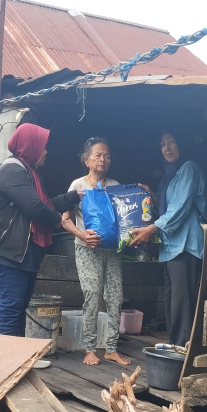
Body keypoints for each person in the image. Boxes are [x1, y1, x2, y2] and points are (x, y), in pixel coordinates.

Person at [0, 123, 96, 341]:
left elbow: (45, 204)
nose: (46, 151)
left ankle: (16, 355)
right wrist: (58, 221)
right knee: (11, 308)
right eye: (43, 146)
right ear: (30, 146)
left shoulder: (30, 172)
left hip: (23, 254)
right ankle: (2, 357)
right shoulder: (13, 170)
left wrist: (72, 197)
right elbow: (34, 207)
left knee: (19, 307)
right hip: (9, 252)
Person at [130, 131, 207, 347]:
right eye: (163, 144)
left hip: (186, 243)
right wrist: (153, 196)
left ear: (182, 143)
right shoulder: (171, 175)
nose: (167, 148)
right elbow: (168, 205)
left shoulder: (189, 168)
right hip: (171, 246)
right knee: (172, 299)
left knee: (182, 299)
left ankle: (183, 347)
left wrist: (151, 228)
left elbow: (179, 208)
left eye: (172, 142)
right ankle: (175, 343)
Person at [67, 138, 132, 366]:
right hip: (87, 249)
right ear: (86, 160)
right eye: (98, 155)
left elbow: (125, 218)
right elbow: (64, 220)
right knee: (92, 295)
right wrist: (82, 235)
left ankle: (111, 348)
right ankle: (90, 349)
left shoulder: (115, 186)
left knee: (115, 297)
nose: (103, 159)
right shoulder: (78, 185)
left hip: (112, 251)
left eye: (107, 156)